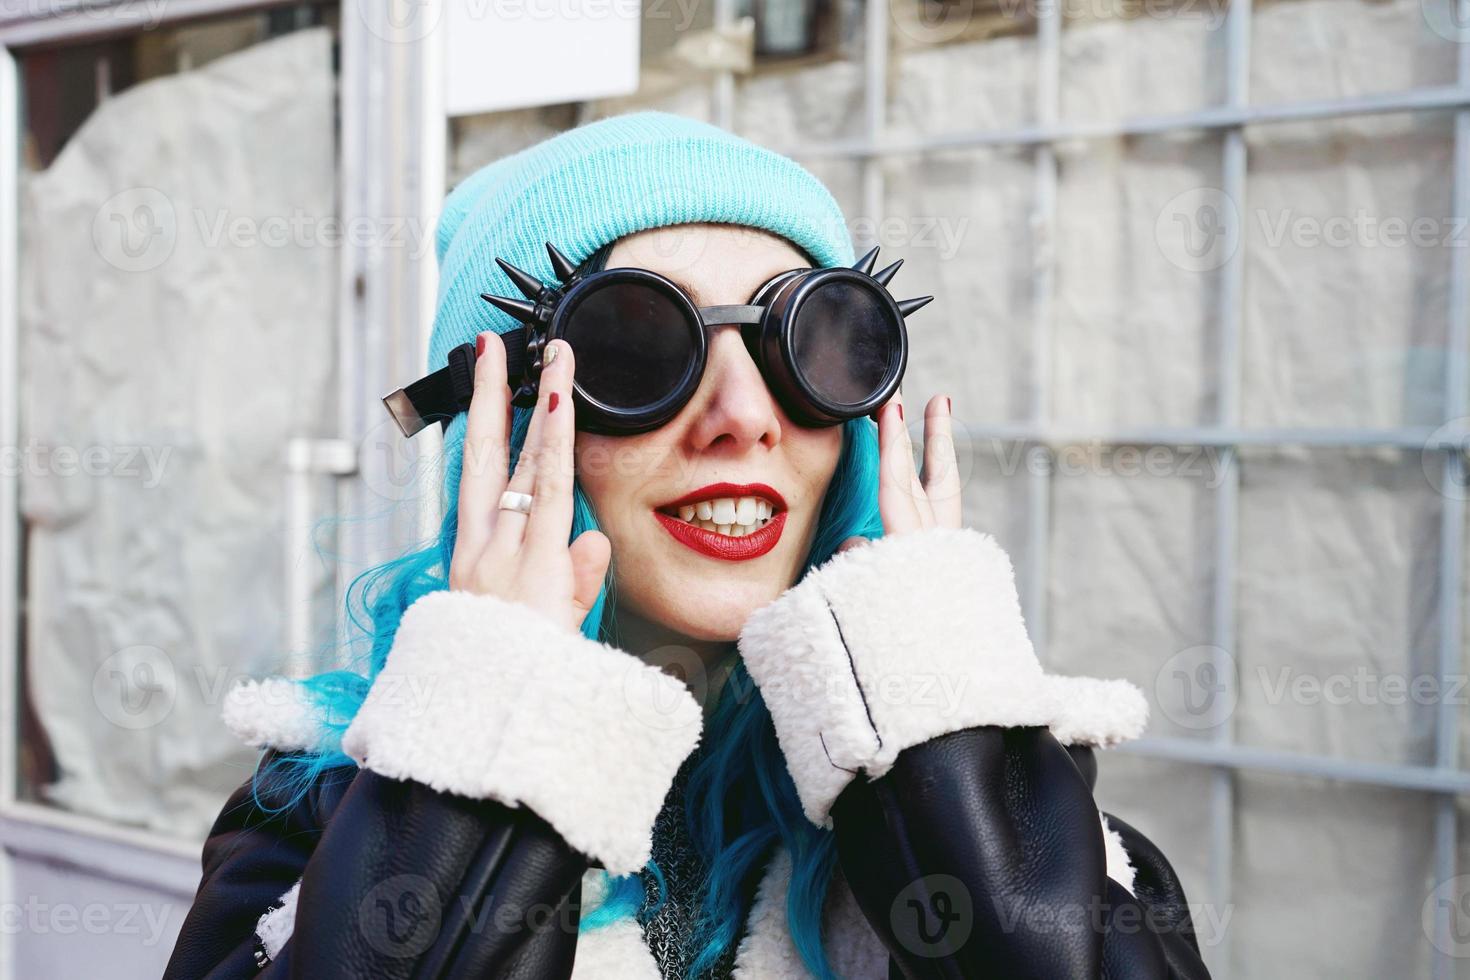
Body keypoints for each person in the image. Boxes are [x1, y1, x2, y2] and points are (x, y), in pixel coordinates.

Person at [163, 111, 1210, 980]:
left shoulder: (1031, 821)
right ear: (503, 425)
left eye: (802, 341)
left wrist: (946, 769)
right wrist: (481, 757)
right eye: (637, 347)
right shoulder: (323, 824)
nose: (744, 415)